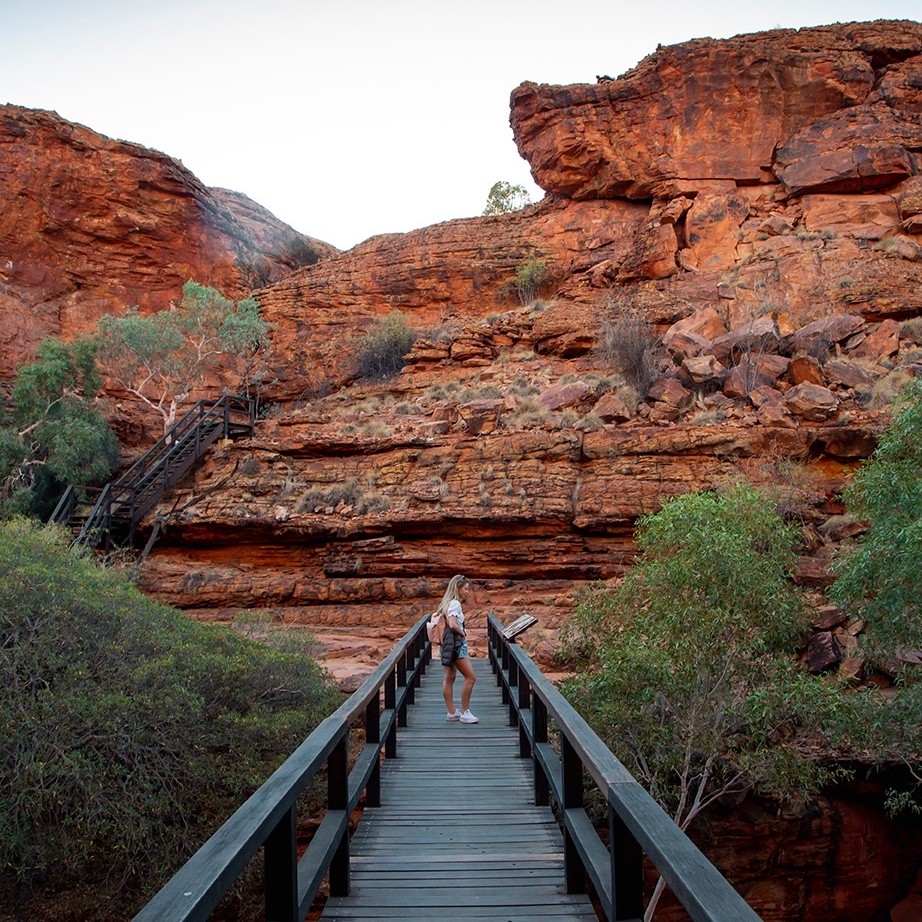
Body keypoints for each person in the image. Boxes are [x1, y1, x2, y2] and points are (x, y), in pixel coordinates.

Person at [438, 574, 477, 724]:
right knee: (471, 677)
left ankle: (452, 712)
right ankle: (465, 712)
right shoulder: (455, 604)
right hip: (456, 645)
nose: (467, 592)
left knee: (449, 677)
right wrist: (463, 633)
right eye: (466, 589)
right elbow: (453, 624)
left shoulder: (446, 603)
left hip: (447, 645)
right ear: (458, 588)